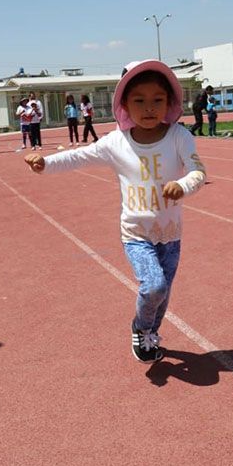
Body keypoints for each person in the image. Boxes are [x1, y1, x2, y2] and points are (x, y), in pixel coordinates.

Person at [24, 59, 206, 363]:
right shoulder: (116, 143)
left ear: (170, 102)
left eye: (157, 100)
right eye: (139, 101)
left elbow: (198, 172)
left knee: (163, 294)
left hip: (171, 234)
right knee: (154, 286)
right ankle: (140, 327)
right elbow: (79, 157)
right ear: (124, 104)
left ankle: (150, 334)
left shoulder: (179, 137)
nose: (149, 108)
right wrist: (46, 164)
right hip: (135, 234)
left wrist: (183, 185)